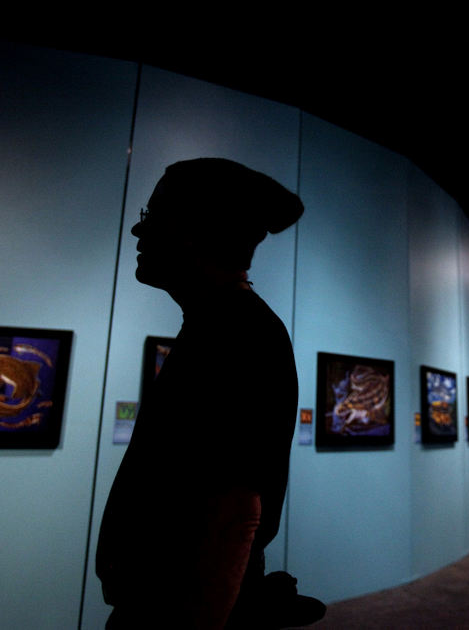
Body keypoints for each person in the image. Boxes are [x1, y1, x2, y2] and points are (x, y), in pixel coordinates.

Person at [96, 158, 324, 628]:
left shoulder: (238, 333)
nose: (139, 231)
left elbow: (236, 514)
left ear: (199, 232)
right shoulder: (219, 326)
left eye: (154, 216)